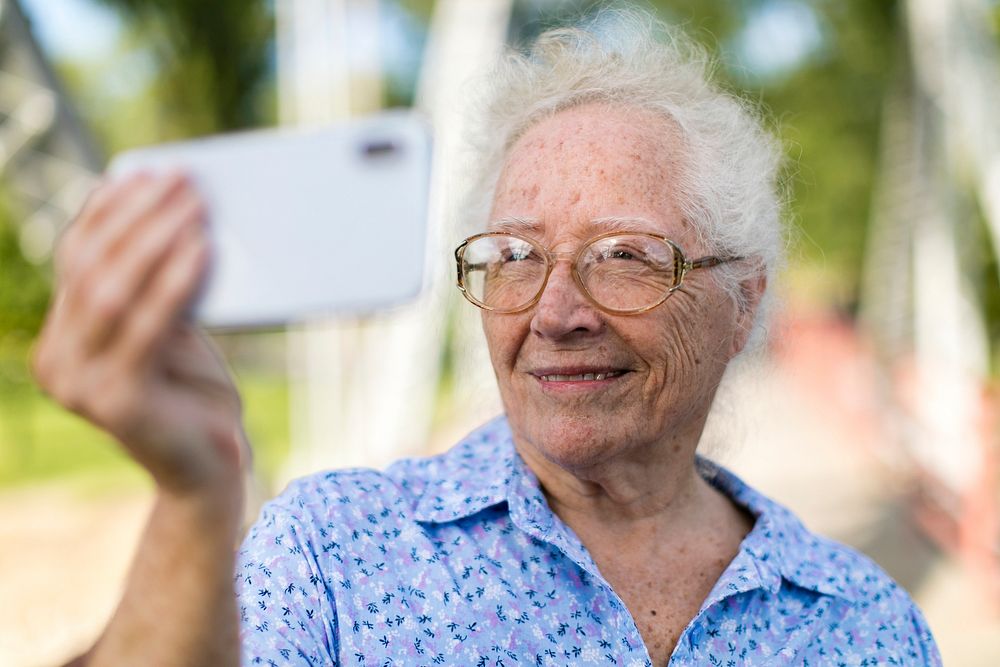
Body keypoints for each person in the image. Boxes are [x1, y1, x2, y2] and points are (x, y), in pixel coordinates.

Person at [35, 10, 941, 667]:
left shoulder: (864, 626)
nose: (555, 312)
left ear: (742, 301)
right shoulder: (333, 553)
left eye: (624, 254)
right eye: (513, 255)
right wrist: (194, 497)